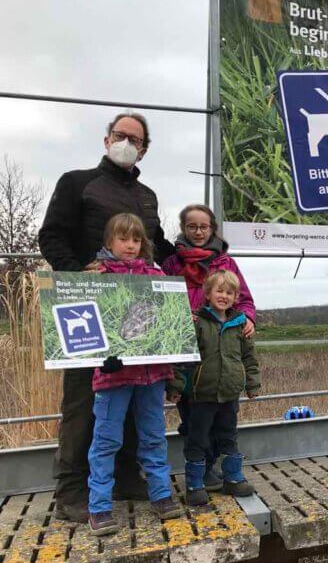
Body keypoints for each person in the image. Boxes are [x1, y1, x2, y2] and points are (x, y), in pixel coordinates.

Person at [38, 112, 175, 523]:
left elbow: (159, 245)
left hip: (136, 308)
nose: (126, 143)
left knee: (136, 393)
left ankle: (126, 478)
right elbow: (51, 235)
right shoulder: (76, 182)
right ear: (106, 139)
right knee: (84, 400)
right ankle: (71, 491)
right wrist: (78, 270)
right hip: (88, 307)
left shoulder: (148, 196)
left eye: (135, 139)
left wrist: (201, 250)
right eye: (120, 135)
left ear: (144, 149)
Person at [84, 214, 182, 535]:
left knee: (154, 436)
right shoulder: (96, 276)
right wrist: (100, 356)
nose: (130, 245)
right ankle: (98, 507)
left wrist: (174, 358)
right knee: (106, 439)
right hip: (114, 376)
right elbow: (85, 325)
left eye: (136, 239)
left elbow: (168, 325)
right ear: (109, 242)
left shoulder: (155, 275)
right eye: (123, 239)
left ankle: (162, 495)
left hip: (151, 374)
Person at [162, 204, 256, 491]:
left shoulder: (225, 263)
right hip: (186, 345)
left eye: (204, 226)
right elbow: (161, 300)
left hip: (220, 343)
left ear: (212, 228)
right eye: (192, 226)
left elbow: (243, 298)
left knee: (223, 418)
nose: (198, 232)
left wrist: (248, 318)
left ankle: (213, 466)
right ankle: (200, 472)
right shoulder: (171, 264)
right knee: (193, 415)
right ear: (184, 229)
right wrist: (179, 318)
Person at [167, 270, 261, 506]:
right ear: (207, 294)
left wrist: (252, 384)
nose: (224, 296)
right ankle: (195, 485)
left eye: (230, 292)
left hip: (229, 395)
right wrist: (175, 386)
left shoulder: (240, 325)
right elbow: (182, 358)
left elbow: (249, 359)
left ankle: (233, 478)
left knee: (229, 437)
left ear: (236, 297)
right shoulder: (197, 322)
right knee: (198, 440)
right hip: (201, 395)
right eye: (219, 291)